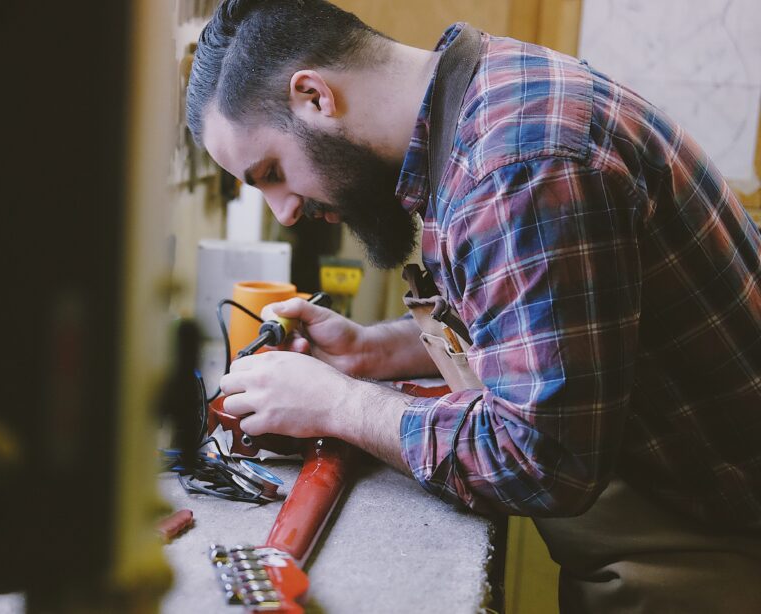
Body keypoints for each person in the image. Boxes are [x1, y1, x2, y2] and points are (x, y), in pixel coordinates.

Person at [187, 1, 761, 611]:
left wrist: (339, 404)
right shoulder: (484, 101)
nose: (285, 211)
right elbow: (537, 323)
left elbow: (541, 458)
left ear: (314, 97)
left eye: (272, 170)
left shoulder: (519, 164)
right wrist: (370, 351)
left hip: (718, 542)